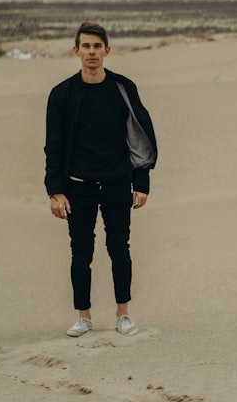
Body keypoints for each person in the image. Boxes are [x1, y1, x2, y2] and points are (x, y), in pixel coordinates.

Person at [45, 22, 157, 338]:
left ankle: (123, 314)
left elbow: (137, 138)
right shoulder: (62, 95)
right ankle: (84, 316)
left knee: (119, 248)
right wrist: (55, 191)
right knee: (81, 253)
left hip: (117, 184)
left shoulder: (123, 88)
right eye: (86, 46)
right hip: (77, 186)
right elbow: (52, 145)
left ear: (107, 50)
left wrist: (142, 182)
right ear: (76, 51)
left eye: (97, 46)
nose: (91, 52)